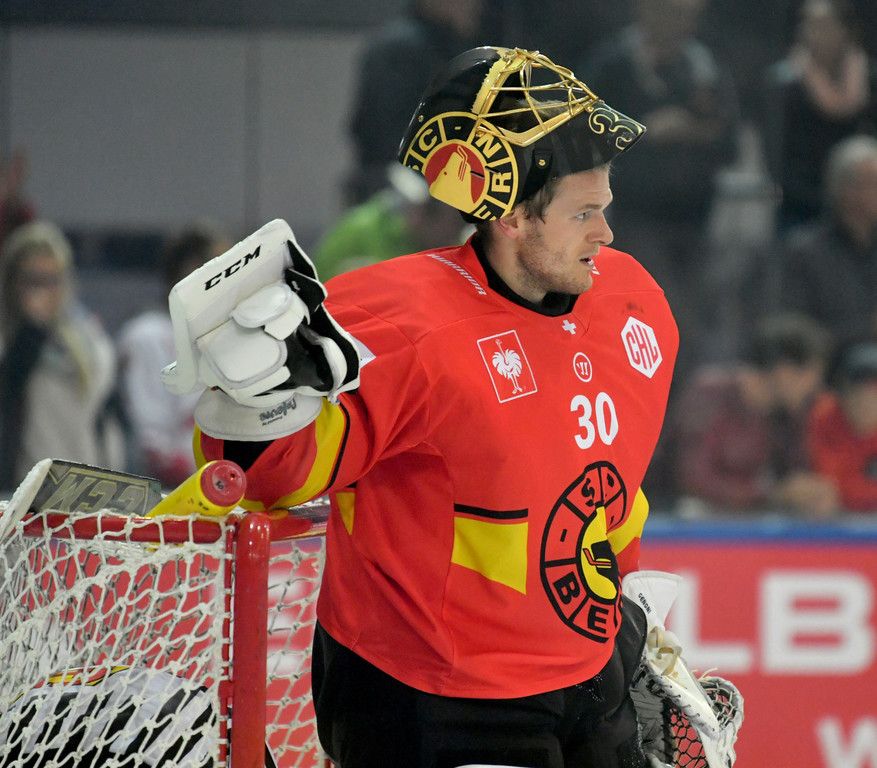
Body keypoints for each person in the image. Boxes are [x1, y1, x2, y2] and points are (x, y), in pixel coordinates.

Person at [167, 47, 680, 767]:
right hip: (437, 698)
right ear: (509, 215)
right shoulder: (399, 324)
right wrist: (250, 402)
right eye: (583, 213)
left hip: (590, 674)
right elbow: (265, 476)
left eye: (605, 207)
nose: (606, 233)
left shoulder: (634, 301)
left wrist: (629, 621)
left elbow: (610, 485)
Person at [582, 0, 739, 379]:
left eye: (687, 14)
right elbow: (586, 135)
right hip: (634, 218)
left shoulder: (704, 67)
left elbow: (729, 142)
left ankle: (682, 400)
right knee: (653, 313)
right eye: (669, 11)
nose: (678, 22)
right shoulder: (612, 65)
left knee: (692, 322)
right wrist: (647, 134)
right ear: (645, 10)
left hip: (698, 221)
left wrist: (690, 132)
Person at [671, 312, 838, 516]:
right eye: (812, 376)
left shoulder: (787, 415)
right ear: (785, 372)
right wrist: (772, 494)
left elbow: (793, 472)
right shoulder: (711, 394)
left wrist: (810, 493)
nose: (815, 388)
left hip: (748, 522)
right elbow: (693, 478)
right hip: (673, 520)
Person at [0, 221, 122, 493]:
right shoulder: (6, 340)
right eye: (34, 281)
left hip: (84, 483)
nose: (45, 292)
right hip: (23, 488)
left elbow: (105, 414)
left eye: (53, 280)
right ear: (13, 282)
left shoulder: (87, 338)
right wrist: (32, 331)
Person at [116, 223, 229, 488]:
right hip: (168, 492)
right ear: (192, 271)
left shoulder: (224, 335)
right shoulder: (147, 335)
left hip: (220, 485)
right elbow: (152, 445)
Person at [345, 0, 485, 204]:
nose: (477, 5)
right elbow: (385, 134)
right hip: (402, 198)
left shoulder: (445, 47)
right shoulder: (404, 50)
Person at [764, 0, 877, 231]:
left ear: (845, 30)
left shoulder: (868, 79)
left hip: (859, 207)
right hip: (799, 205)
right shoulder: (784, 83)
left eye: (825, 25)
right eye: (808, 25)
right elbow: (775, 152)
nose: (815, 33)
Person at [779, 134, 877, 341]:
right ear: (845, 189)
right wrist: (866, 330)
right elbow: (796, 334)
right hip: (833, 358)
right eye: (871, 183)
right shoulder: (805, 252)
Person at [313, 164, 468, 280]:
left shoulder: (458, 246)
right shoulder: (357, 230)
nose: (457, 234)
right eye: (456, 224)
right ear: (423, 212)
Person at [807, 339, 877, 512]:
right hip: (838, 521)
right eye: (857, 391)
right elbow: (827, 487)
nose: (865, 400)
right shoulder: (825, 417)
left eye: (873, 393)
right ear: (842, 394)